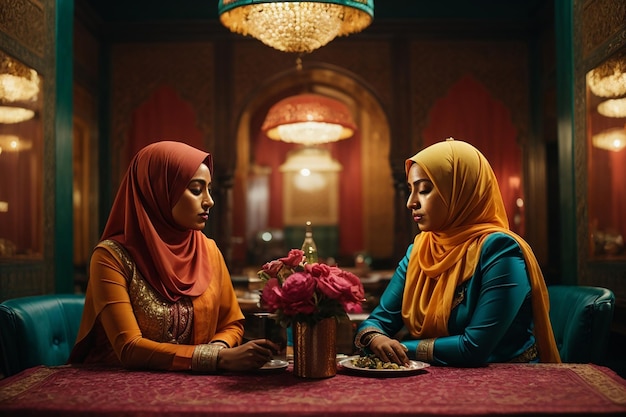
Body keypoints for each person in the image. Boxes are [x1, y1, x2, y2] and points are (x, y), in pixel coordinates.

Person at [69, 141, 279, 373]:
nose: (210, 200)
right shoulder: (111, 257)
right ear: (159, 190)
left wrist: (219, 348)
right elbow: (129, 347)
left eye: (209, 189)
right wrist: (216, 359)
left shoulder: (208, 250)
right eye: (197, 190)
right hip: (119, 387)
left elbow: (230, 322)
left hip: (196, 383)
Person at [354, 138, 561, 367]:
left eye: (424, 190)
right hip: (437, 376)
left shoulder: (500, 250)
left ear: (461, 192)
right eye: (411, 190)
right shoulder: (419, 250)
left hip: (507, 383)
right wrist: (376, 338)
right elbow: (377, 322)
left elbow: (473, 348)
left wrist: (397, 348)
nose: (411, 202)